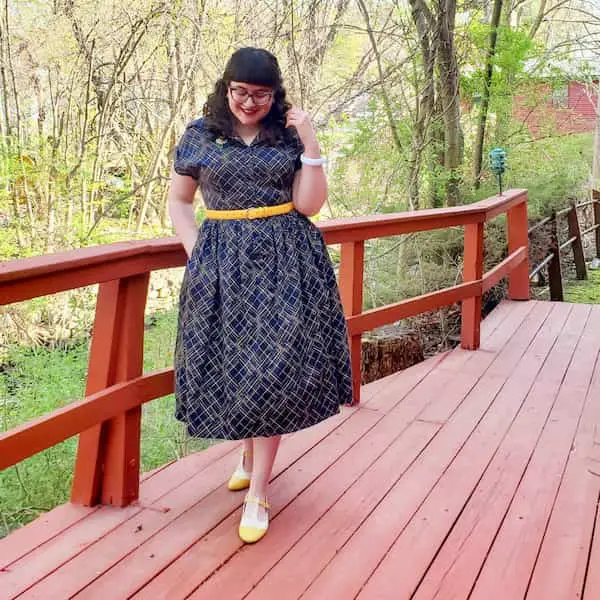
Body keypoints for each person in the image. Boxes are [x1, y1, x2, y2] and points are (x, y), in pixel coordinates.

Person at [168, 47, 353, 544]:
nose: (250, 103)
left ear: (275, 94)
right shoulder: (200, 134)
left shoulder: (288, 135)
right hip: (222, 265)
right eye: (241, 92)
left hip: (286, 263)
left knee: (273, 370)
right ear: (226, 88)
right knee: (235, 366)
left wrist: (310, 139)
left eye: (261, 94)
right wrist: (196, 253)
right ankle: (248, 457)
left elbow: (309, 204)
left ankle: (259, 491)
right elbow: (180, 202)